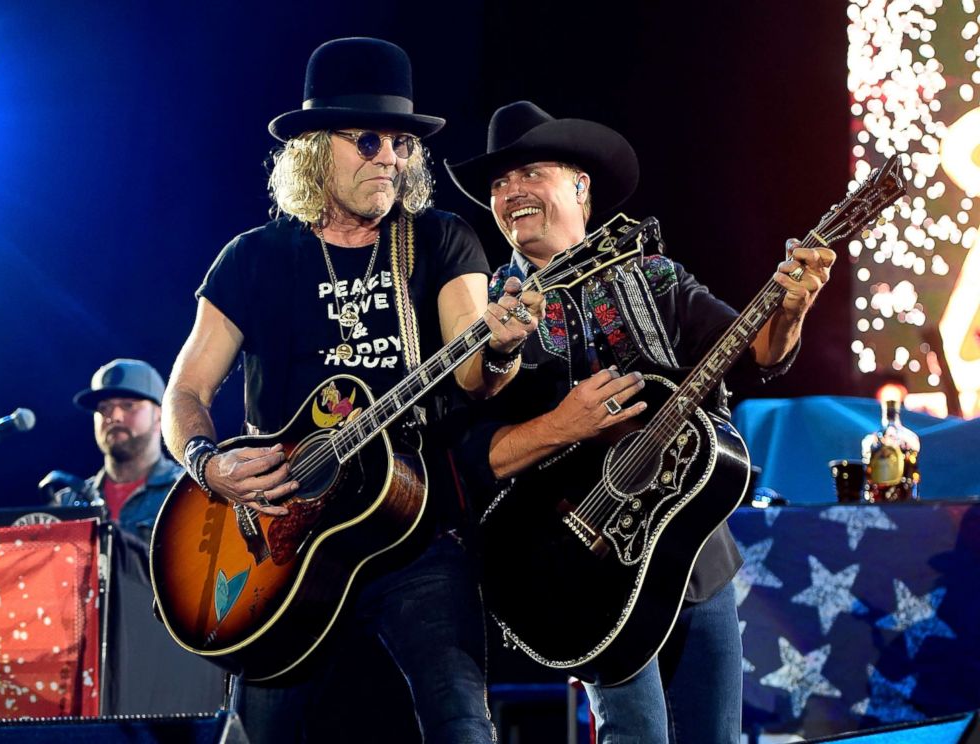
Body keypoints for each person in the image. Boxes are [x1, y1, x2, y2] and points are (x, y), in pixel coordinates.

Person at [161, 39, 542, 743]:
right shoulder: (254, 258)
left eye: (402, 141)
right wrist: (207, 464)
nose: (391, 157)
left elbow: (471, 373)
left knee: (464, 725)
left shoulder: (442, 240)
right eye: (368, 139)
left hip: (414, 535)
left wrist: (503, 350)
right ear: (312, 147)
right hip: (281, 543)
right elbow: (185, 391)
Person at [446, 101, 836, 743]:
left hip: (692, 552)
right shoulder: (488, 312)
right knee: (638, 735)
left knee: (714, 735)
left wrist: (791, 308)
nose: (511, 191)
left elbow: (758, 350)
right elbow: (474, 452)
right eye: (498, 183)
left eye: (531, 173)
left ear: (580, 187)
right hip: (581, 563)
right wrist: (552, 415)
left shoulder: (654, 278)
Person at [55, 358, 181, 546]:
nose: (114, 416)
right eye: (104, 408)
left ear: (159, 415)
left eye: (128, 405)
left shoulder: (185, 493)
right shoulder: (67, 502)